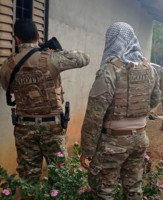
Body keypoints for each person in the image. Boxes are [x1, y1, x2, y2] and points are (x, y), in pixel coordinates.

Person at [0, 19, 90, 183]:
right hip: (52, 127)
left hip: (24, 128)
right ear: (38, 36)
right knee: (59, 176)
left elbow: (8, 87)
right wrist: (54, 51)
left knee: (28, 179)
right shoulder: (51, 58)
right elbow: (84, 58)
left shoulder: (8, 64)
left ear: (16, 39)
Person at [80, 22, 160, 200]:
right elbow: (154, 100)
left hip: (113, 142)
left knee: (104, 191)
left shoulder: (109, 70)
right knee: (133, 189)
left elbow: (95, 114)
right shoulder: (149, 69)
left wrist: (87, 149)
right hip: (140, 138)